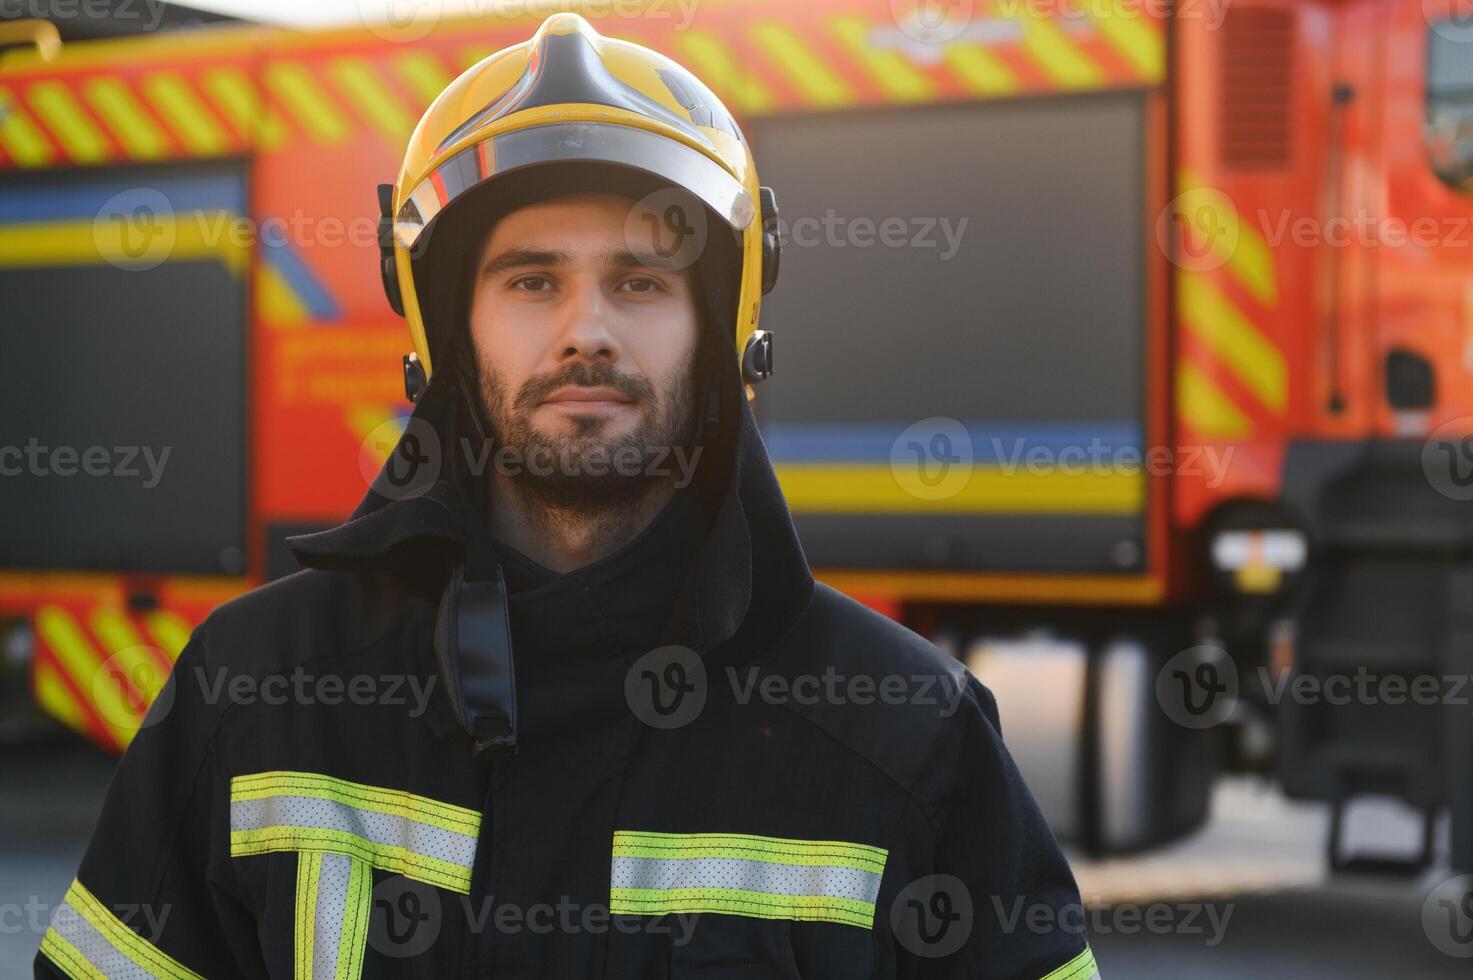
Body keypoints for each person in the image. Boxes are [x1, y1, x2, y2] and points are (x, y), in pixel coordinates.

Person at [36, 14, 1096, 979]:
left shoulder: (910, 735)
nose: (586, 329)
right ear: (446, 331)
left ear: (723, 331)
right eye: (531, 279)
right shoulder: (253, 692)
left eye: (640, 280)